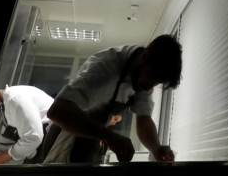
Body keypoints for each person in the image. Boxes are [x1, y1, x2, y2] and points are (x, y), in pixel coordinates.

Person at [42, 35, 182, 163]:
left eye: (156, 83)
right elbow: (57, 111)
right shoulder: (104, 67)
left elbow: (143, 119)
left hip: (91, 139)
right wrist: (110, 137)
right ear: (144, 56)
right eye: (152, 77)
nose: (150, 87)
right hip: (65, 136)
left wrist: (155, 148)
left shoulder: (142, 78)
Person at [0, 85, 54, 165]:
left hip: (56, 139)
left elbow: (33, 138)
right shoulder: (5, 102)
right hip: (47, 143)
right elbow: (8, 139)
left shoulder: (14, 98)